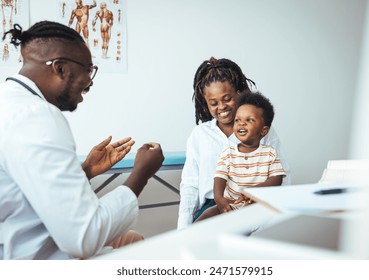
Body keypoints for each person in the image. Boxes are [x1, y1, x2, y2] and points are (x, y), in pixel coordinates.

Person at [0, 21, 164, 259]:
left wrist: (85, 170)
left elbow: (22, 191)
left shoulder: (9, 102)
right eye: (88, 69)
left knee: (133, 239)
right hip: (31, 260)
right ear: (60, 69)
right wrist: (140, 174)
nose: (90, 81)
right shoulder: (38, 116)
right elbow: (83, 238)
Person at [177, 57, 290, 230]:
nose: (221, 107)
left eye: (227, 98)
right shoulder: (200, 135)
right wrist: (183, 226)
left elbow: (282, 175)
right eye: (213, 103)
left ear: (239, 94)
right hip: (215, 205)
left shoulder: (262, 129)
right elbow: (190, 184)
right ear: (206, 104)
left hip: (255, 203)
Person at [194, 90, 286, 222]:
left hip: (258, 205)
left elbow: (277, 179)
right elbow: (219, 178)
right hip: (232, 205)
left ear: (264, 130)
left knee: (273, 222)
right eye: (237, 120)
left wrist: (254, 192)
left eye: (249, 120)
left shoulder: (269, 153)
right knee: (203, 218)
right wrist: (219, 199)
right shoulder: (228, 153)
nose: (241, 123)